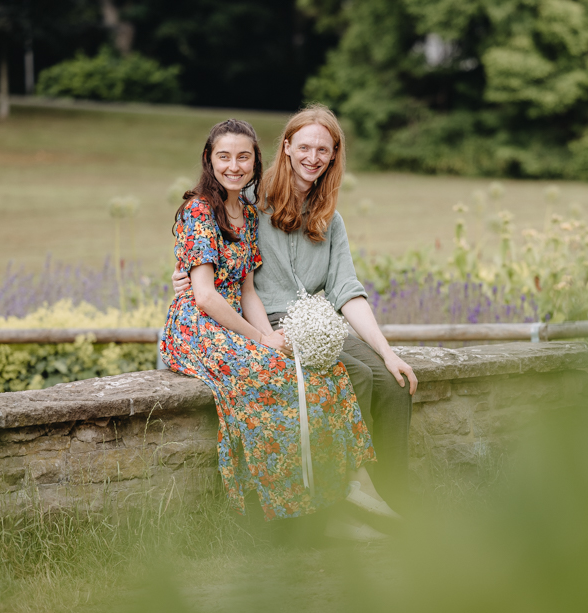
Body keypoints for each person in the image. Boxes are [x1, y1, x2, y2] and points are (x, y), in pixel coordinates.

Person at [173, 105, 417, 507]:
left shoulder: (329, 219)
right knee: (355, 376)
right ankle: (345, 496)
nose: (312, 157)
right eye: (304, 147)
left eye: (323, 150)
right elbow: (207, 238)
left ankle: (395, 497)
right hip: (268, 322)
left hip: (316, 324)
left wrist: (388, 352)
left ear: (334, 155)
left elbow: (346, 291)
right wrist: (183, 274)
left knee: (394, 382)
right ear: (286, 147)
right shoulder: (251, 199)